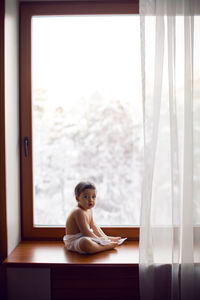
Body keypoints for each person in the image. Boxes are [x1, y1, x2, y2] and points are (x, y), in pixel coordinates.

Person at [63, 181, 122, 254]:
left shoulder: (89, 210)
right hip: (74, 241)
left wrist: (104, 237)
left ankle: (106, 239)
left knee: (93, 235)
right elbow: (86, 232)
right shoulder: (78, 211)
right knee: (85, 242)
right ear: (77, 198)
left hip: (85, 236)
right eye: (86, 197)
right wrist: (100, 241)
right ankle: (106, 246)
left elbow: (94, 226)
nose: (91, 200)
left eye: (93, 197)